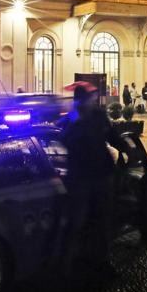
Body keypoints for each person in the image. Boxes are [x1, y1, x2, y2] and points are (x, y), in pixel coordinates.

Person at [56, 85, 124, 278]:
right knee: (77, 223)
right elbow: (64, 139)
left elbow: (112, 136)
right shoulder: (72, 120)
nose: (89, 102)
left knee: (100, 221)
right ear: (80, 101)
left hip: (96, 175)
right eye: (86, 99)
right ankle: (69, 266)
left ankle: (100, 263)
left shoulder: (96, 116)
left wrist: (125, 147)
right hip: (83, 178)